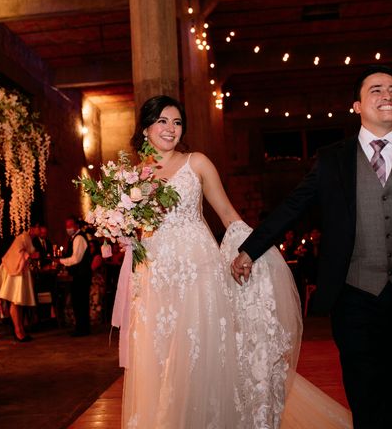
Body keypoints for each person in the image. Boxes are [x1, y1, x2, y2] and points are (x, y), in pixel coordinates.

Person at [233, 65, 392, 429]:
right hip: (353, 294)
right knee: (363, 390)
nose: (387, 96)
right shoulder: (333, 158)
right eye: (376, 90)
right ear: (357, 105)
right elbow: (293, 205)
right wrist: (250, 249)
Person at [120, 95, 320, 428]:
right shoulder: (131, 176)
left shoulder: (196, 162)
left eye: (177, 122)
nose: (170, 129)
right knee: (160, 356)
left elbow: (227, 214)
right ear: (145, 128)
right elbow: (133, 228)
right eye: (162, 121)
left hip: (199, 270)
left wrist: (252, 250)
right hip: (155, 274)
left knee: (198, 357)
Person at [0, 224, 40, 342]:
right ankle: (17, 331)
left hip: (21, 270)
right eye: (38, 227)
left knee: (19, 301)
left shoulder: (29, 239)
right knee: (15, 300)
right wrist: (29, 255)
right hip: (14, 270)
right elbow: (16, 253)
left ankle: (20, 329)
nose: (40, 230)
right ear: (33, 228)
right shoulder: (23, 237)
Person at [59, 216, 92, 337]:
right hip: (77, 276)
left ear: (76, 226)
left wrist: (61, 261)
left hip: (81, 275)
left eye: (70, 226)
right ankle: (80, 327)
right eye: (66, 226)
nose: (68, 228)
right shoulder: (72, 238)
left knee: (81, 302)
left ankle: (83, 329)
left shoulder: (79, 238)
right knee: (77, 302)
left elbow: (76, 259)